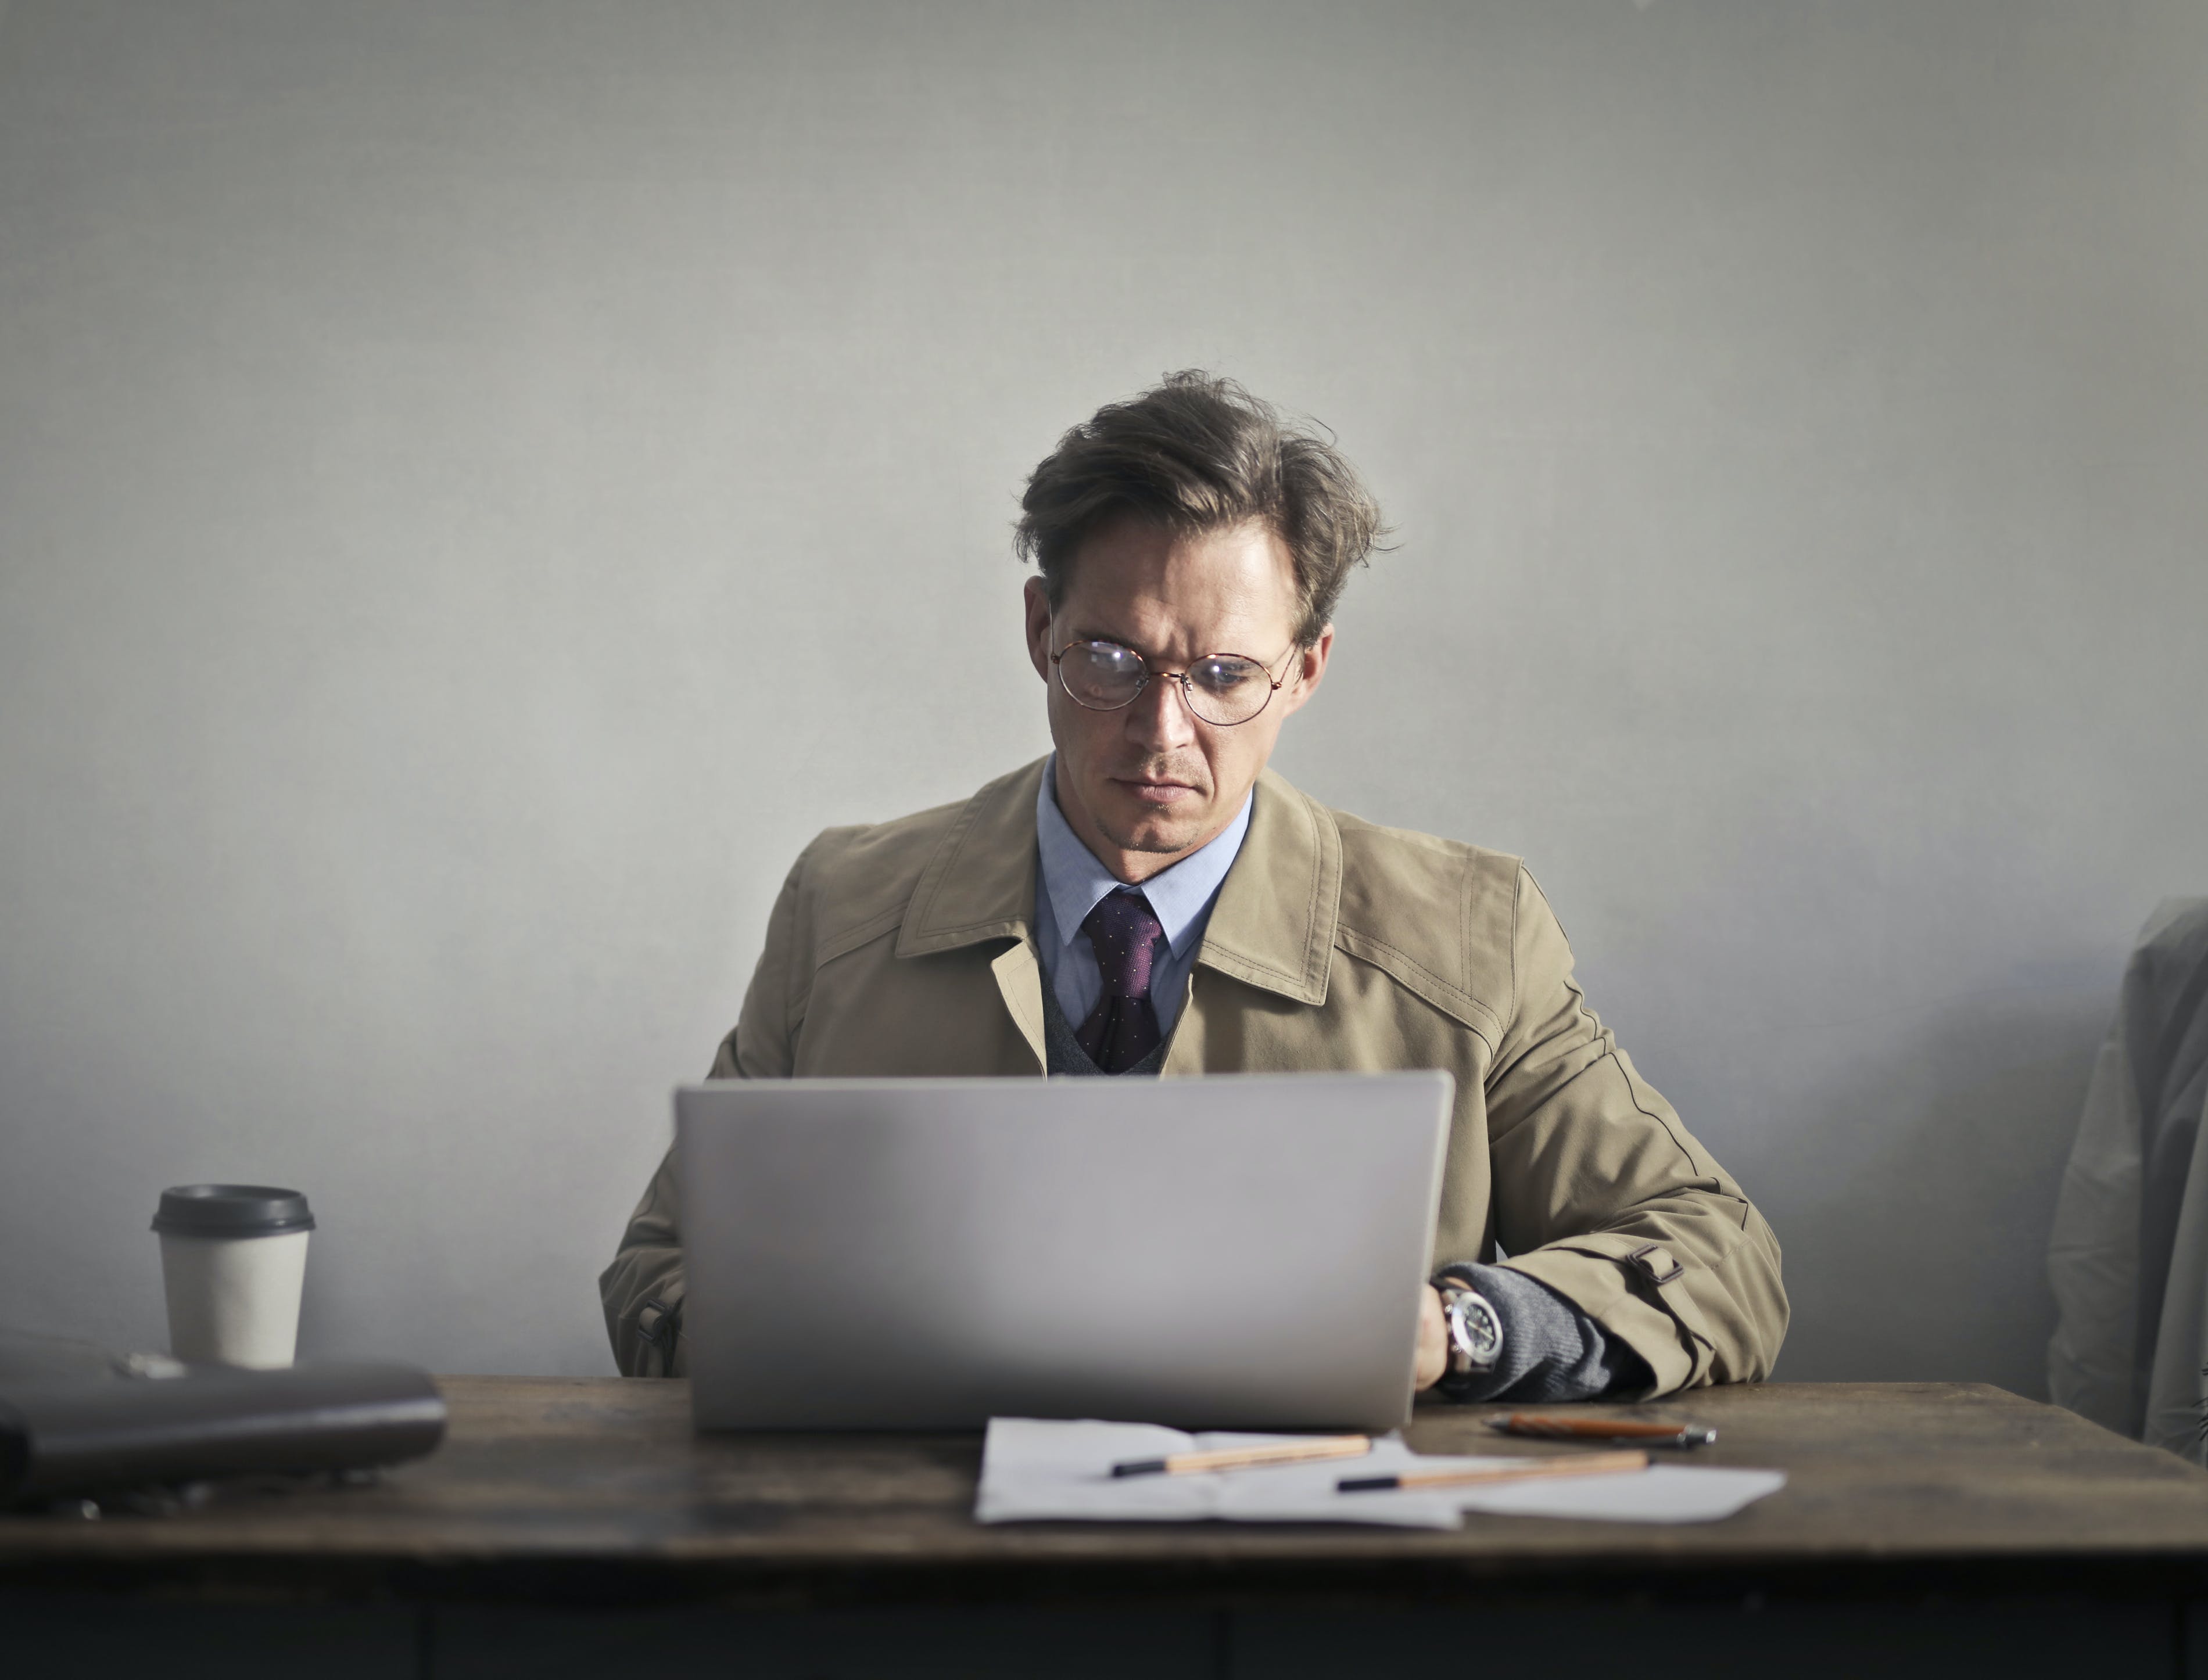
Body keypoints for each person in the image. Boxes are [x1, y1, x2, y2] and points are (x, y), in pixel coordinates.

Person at [600, 372, 1787, 1398]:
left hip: (1312, 1587)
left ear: (1307, 669)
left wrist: (1449, 1329)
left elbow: (1716, 1255)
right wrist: (838, 1329)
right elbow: (660, 1271)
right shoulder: (840, 904)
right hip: (909, 1562)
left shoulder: (1471, 937)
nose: (1161, 732)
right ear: (1038, 634)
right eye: (1111, 660)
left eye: (1224, 674)